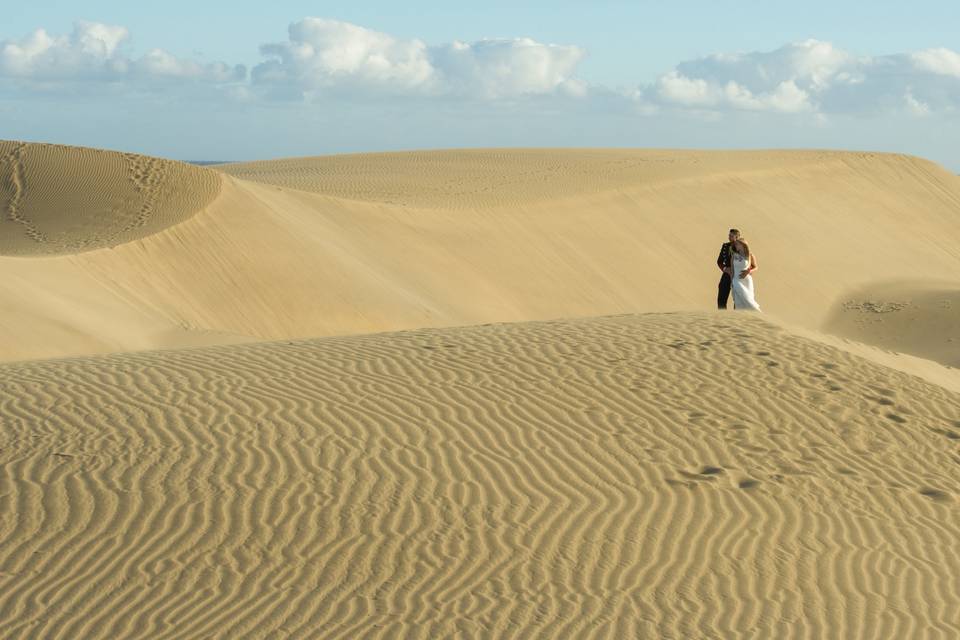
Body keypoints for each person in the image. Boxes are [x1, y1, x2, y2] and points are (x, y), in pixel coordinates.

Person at [730, 237, 761, 311]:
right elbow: (732, 270)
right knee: (739, 302)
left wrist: (748, 271)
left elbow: (756, 267)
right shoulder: (734, 256)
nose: (735, 246)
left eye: (737, 244)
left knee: (749, 299)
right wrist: (732, 283)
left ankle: (760, 316)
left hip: (747, 280)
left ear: (742, 245)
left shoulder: (750, 255)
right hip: (736, 280)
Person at [716, 228, 740, 309]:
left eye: (731, 236)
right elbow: (719, 261)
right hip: (727, 274)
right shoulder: (725, 246)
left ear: (736, 237)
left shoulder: (741, 248)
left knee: (738, 299)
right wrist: (725, 269)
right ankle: (722, 316)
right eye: (729, 235)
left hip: (737, 275)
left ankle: (737, 317)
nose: (729, 237)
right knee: (721, 297)